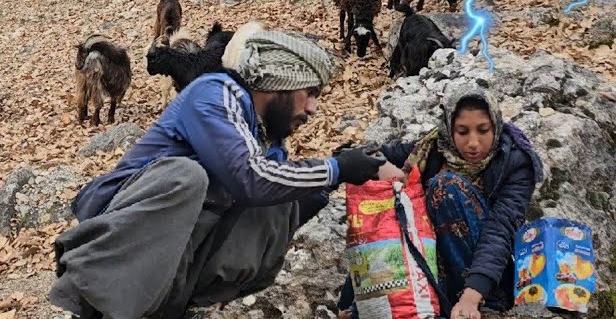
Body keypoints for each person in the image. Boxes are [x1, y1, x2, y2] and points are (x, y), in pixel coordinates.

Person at [50, 23, 396, 319]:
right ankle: (104, 297)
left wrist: (342, 175)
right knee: (188, 177)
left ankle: (174, 304)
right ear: (280, 84)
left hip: (173, 270)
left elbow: (272, 186)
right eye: (309, 93)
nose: (313, 108)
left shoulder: (266, 141)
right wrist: (336, 169)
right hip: (116, 243)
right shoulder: (213, 94)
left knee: (283, 196)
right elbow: (251, 179)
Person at [339, 83, 542, 319]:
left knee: (445, 188)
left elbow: (500, 230)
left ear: (495, 127)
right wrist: (379, 164)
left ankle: (480, 300)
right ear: (449, 129)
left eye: (483, 130)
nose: (473, 143)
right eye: (463, 132)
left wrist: (472, 295)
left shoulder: (515, 164)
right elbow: (373, 154)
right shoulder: (434, 148)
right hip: (435, 261)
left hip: (487, 276)